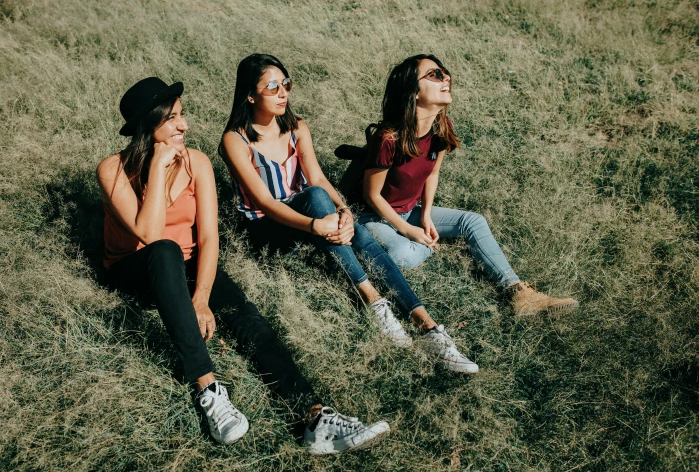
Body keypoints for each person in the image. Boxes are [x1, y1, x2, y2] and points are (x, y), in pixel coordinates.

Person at [97, 77, 390, 454]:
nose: (184, 126)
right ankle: (209, 390)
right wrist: (157, 168)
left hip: (187, 264)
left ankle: (315, 418)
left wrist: (201, 298)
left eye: (182, 116)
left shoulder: (197, 162)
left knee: (248, 318)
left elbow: (208, 239)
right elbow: (150, 235)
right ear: (146, 128)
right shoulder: (113, 170)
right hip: (135, 269)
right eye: (172, 119)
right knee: (166, 249)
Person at [219, 54, 479, 374]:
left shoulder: (297, 128)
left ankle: (427, 326)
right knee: (316, 199)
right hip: (267, 227)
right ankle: (373, 300)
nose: (283, 92)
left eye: (286, 83)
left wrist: (342, 211)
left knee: (354, 227)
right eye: (272, 86)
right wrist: (317, 225)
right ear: (250, 94)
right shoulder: (235, 139)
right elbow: (265, 202)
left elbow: (316, 178)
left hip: (312, 214)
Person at [357, 54, 579, 317]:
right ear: (413, 91)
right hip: (375, 216)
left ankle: (519, 293)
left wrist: (426, 215)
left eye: (445, 72)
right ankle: (422, 246)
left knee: (473, 222)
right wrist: (408, 230)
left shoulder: (441, 126)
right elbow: (371, 196)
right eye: (435, 75)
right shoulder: (389, 138)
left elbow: (432, 173)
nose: (446, 77)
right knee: (404, 256)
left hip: (411, 211)